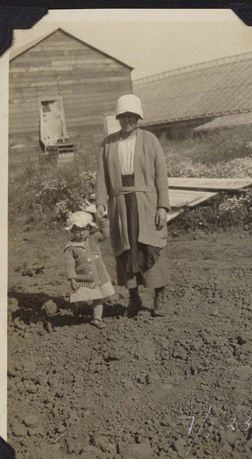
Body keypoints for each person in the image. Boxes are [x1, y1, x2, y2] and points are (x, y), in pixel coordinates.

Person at [96, 94, 170, 318]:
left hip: (146, 203)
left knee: (149, 246)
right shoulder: (108, 143)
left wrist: (162, 207)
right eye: (124, 116)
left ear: (139, 117)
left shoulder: (150, 140)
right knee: (126, 251)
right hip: (120, 204)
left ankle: (159, 296)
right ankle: (134, 298)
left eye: (132, 116)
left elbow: (161, 176)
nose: (128, 120)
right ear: (118, 118)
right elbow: (101, 177)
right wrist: (100, 202)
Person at [64, 210, 115, 329]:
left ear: (89, 228)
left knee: (98, 298)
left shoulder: (93, 238)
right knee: (81, 298)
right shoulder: (70, 248)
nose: (81, 233)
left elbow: (105, 234)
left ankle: (97, 318)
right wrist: (72, 279)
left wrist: (102, 221)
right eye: (77, 230)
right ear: (71, 231)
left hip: (98, 276)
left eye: (84, 229)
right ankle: (78, 307)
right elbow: (69, 265)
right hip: (82, 278)